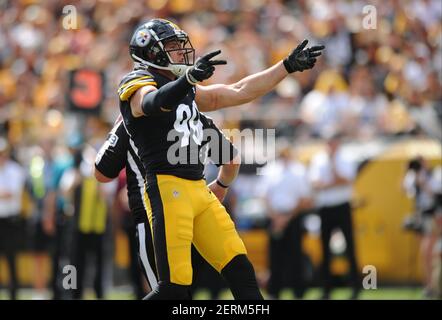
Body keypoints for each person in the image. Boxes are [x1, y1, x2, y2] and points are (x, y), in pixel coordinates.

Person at [115, 18, 324, 300]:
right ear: (152, 52)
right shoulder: (138, 81)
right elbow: (150, 104)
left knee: (242, 275)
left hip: (199, 190)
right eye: (173, 46)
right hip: (168, 189)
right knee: (173, 290)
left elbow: (239, 91)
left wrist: (285, 67)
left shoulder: (185, 90)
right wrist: (187, 79)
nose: (181, 52)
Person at [94, 113, 239, 297]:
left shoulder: (132, 120)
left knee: (169, 293)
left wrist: (115, 131)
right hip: (187, 214)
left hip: (151, 214)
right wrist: (221, 186)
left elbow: (102, 173)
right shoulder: (192, 116)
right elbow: (231, 161)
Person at [308, 133, 360, 299]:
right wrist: (332, 183)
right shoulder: (318, 159)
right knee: (325, 249)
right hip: (325, 208)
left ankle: (355, 287)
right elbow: (315, 183)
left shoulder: (346, 157)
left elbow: (345, 180)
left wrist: (332, 168)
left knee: (350, 247)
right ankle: (327, 289)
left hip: (342, 206)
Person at [260, 143, 313, 299]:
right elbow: (263, 196)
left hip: (293, 218)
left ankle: (298, 292)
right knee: (274, 257)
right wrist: (276, 217)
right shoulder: (269, 170)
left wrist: (287, 217)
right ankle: (274, 292)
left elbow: (304, 199)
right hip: (274, 218)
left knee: (295, 257)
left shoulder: (299, 171)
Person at [0, 137, 26, 300]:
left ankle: (13, 294)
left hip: (11, 221)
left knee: (11, 259)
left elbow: (11, 193)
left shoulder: (15, 170)